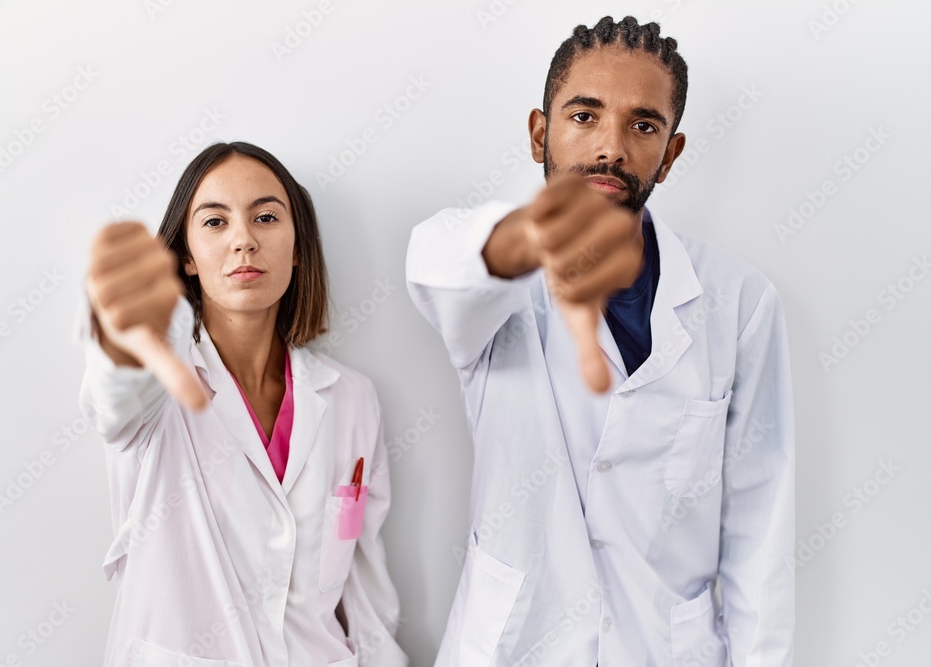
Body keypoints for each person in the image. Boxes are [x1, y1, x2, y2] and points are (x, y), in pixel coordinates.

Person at [405, 16, 793, 666]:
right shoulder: (496, 286)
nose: (610, 147)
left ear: (670, 154)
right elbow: (437, 261)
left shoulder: (741, 303)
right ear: (539, 133)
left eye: (643, 125)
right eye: (584, 116)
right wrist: (529, 240)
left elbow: (762, 530)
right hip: (515, 646)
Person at [73, 141, 408, 667]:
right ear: (184, 255)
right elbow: (112, 396)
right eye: (214, 223)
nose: (244, 241)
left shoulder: (350, 398)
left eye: (267, 218)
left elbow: (365, 594)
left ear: (297, 246)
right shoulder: (157, 389)